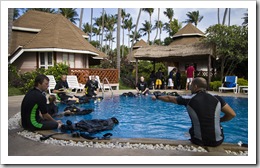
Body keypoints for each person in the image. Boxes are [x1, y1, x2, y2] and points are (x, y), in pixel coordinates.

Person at [152, 77, 236, 147]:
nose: (190, 87)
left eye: (191, 85)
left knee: (190, 130)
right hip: (217, 142)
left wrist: (157, 97)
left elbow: (169, 98)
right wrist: (219, 120)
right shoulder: (217, 98)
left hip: (198, 141)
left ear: (195, 86)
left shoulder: (188, 99)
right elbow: (232, 114)